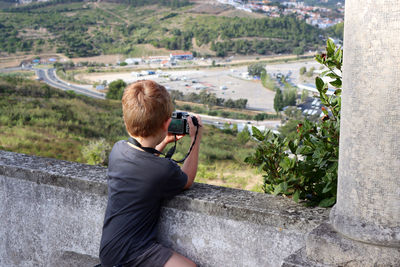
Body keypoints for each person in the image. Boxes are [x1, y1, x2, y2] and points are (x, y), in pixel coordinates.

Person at [99, 80, 202, 267]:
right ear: (167, 123)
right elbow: (186, 180)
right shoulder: (162, 169)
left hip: (109, 251)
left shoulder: (117, 150)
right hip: (134, 252)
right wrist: (196, 139)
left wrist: (163, 142)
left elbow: (143, 158)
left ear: (126, 120)